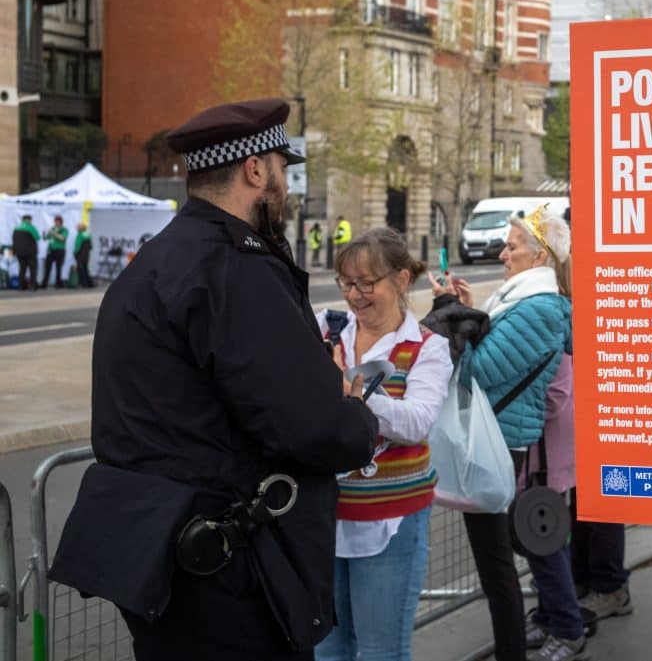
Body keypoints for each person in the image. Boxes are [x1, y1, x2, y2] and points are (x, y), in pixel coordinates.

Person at [49, 98, 380, 661]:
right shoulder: (234, 270)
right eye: (282, 168)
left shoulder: (155, 262)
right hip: (230, 574)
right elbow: (311, 427)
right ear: (256, 170)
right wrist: (356, 414)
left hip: (160, 557)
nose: (285, 184)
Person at [431, 205, 580, 661]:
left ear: (540, 258)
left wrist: (446, 314)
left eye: (512, 246)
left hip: (499, 445)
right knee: (497, 565)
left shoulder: (539, 309)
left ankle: (514, 650)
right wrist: (468, 313)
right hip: (500, 441)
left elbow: (479, 371)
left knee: (496, 569)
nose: (502, 253)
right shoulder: (525, 302)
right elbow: (494, 352)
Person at [314, 227, 452, 661]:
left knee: (379, 651)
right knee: (327, 650)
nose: (354, 296)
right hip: (322, 514)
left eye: (366, 283)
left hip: (390, 517)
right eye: (346, 282)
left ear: (402, 280)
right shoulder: (325, 329)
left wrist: (355, 395)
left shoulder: (428, 348)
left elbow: (416, 422)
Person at [11, 214, 40, 291]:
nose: (31, 222)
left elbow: (13, 239)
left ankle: (21, 286)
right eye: (30, 220)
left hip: (19, 252)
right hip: (30, 252)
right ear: (28, 220)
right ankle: (32, 286)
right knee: (32, 269)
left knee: (22, 269)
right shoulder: (31, 228)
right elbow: (37, 237)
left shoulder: (16, 228)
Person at [40, 214, 68, 288]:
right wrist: (44, 234)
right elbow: (46, 238)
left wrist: (53, 233)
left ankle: (58, 283)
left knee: (58, 267)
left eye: (58, 221)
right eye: (55, 221)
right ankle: (44, 283)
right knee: (47, 267)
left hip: (60, 250)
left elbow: (62, 238)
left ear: (61, 222)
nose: (56, 223)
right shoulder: (52, 228)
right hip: (51, 250)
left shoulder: (64, 229)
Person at [73, 221, 94, 288]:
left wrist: (75, 253)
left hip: (80, 254)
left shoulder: (80, 234)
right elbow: (91, 247)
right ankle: (90, 283)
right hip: (86, 255)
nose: (77, 228)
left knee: (81, 269)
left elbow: (77, 245)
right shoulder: (88, 234)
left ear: (81, 228)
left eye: (78, 226)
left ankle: (83, 283)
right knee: (86, 269)